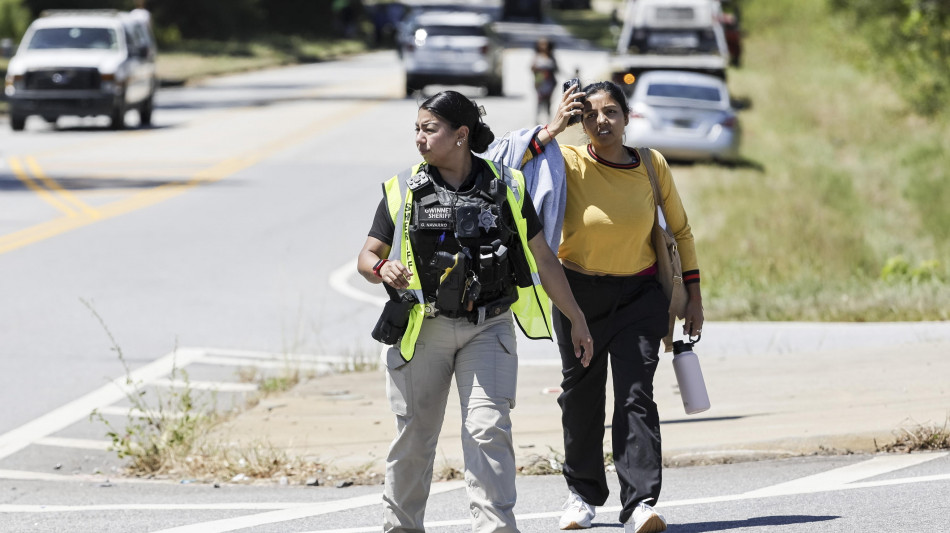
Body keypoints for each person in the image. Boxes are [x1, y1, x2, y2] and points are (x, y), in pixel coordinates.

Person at [357, 90, 594, 533]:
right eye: (416, 129)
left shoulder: (508, 185)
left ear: (461, 135)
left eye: (429, 129)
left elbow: (545, 260)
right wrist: (381, 267)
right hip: (423, 330)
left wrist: (577, 319)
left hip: (489, 327)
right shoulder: (402, 189)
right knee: (414, 439)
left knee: (488, 430)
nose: (419, 138)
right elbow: (367, 256)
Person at [523, 81, 705, 533]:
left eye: (610, 112)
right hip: (578, 298)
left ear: (627, 117)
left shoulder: (651, 163)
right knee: (580, 395)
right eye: (590, 115)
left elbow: (680, 231)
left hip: (640, 296)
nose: (600, 121)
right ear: (580, 122)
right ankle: (582, 496)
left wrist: (693, 295)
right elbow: (508, 167)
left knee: (636, 394)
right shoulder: (565, 160)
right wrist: (553, 126)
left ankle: (640, 503)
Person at [530, 38, 559, 124]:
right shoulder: (537, 57)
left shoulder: (551, 57)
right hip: (540, 83)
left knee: (548, 102)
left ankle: (548, 120)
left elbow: (556, 69)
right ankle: (537, 120)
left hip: (550, 83)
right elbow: (532, 68)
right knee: (539, 101)